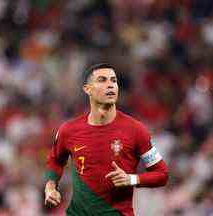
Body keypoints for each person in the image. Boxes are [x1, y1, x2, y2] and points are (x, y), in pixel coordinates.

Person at [44, 63, 169, 216]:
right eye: (102, 80)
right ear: (87, 89)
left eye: (113, 81)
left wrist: (131, 179)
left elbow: (162, 174)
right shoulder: (69, 130)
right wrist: (50, 186)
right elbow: (55, 160)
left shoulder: (136, 130)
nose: (110, 85)